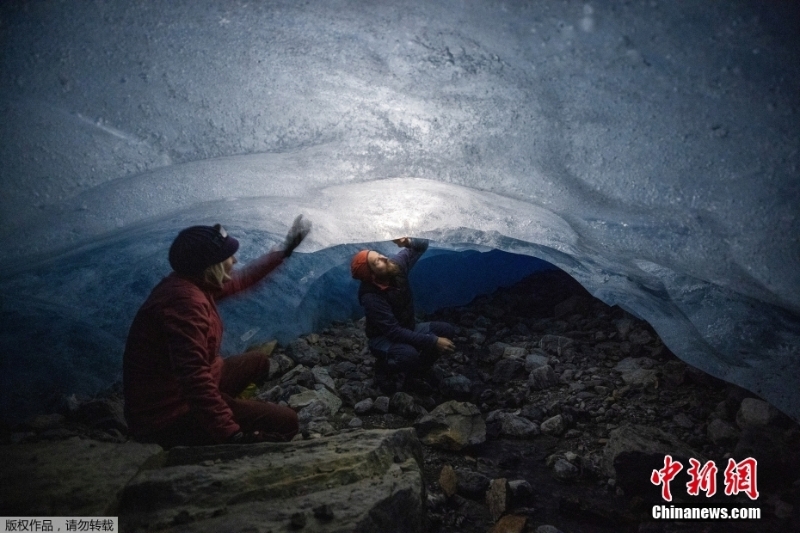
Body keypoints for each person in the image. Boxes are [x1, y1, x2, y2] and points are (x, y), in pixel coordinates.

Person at [123, 215, 311, 448]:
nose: (234, 260)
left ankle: (229, 407)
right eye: (227, 256)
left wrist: (284, 251)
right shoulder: (185, 303)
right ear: (210, 266)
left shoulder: (195, 284)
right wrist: (230, 434)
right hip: (169, 416)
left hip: (183, 394)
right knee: (287, 422)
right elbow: (194, 379)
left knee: (258, 362)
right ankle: (229, 428)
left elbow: (244, 280)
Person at [350, 237, 455, 394]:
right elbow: (393, 332)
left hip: (407, 327)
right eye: (376, 262)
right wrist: (433, 341)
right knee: (408, 355)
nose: (384, 257)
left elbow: (422, 246)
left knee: (446, 330)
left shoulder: (395, 266)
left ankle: (418, 371)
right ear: (372, 276)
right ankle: (383, 369)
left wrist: (409, 242)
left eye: (378, 254)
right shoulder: (371, 297)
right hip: (382, 339)